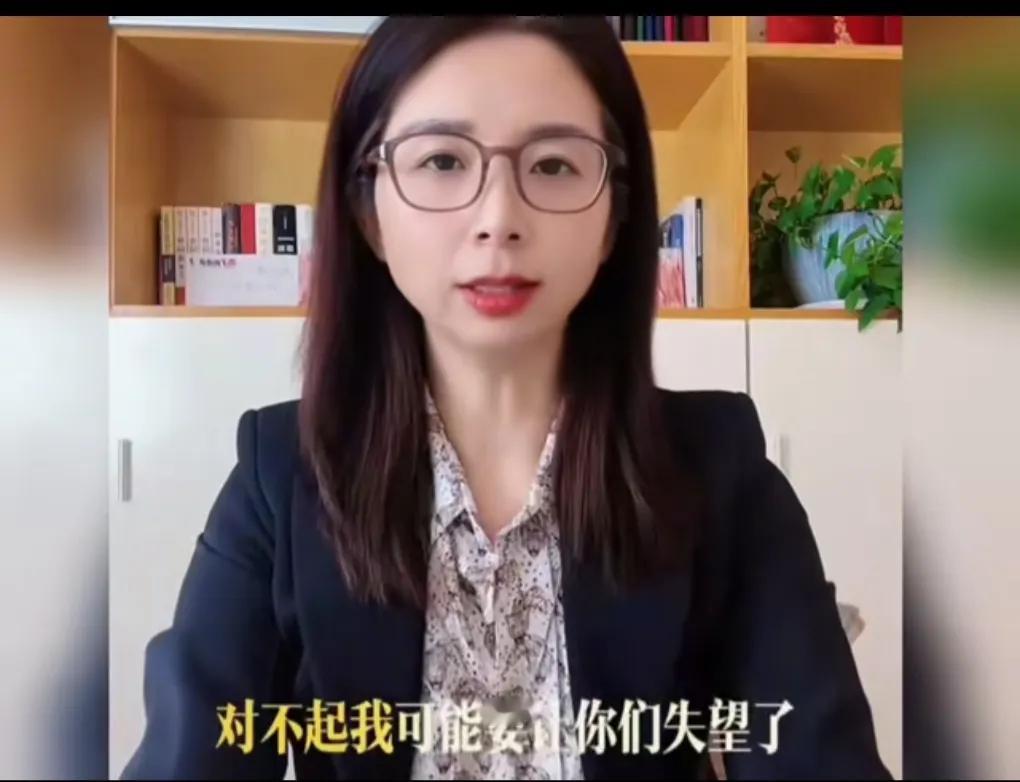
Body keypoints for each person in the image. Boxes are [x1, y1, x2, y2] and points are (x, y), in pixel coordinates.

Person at [121, 16, 891, 781]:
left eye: (553, 165)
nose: (499, 220)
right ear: (368, 213)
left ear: (615, 216)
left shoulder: (718, 471)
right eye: (442, 160)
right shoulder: (282, 479)